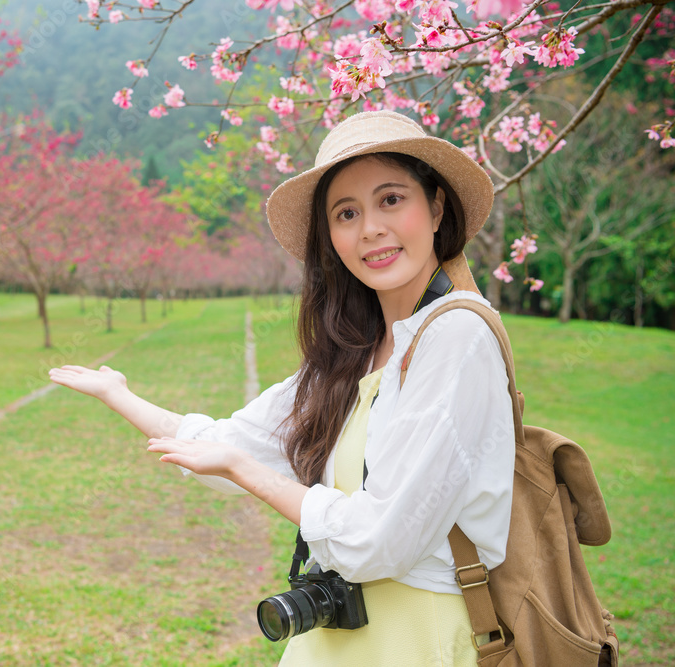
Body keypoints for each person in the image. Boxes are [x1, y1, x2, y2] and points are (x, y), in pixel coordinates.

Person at [48, 110, 515, 665]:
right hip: (331, 642)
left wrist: (245, 472)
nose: (370, 228)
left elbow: (378, 541)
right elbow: (229, 442)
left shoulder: (457, 335)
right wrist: (118, 393)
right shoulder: (352, 356)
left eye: (391, 200)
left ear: (436, 207)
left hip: (414, 640)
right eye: (347, 213)